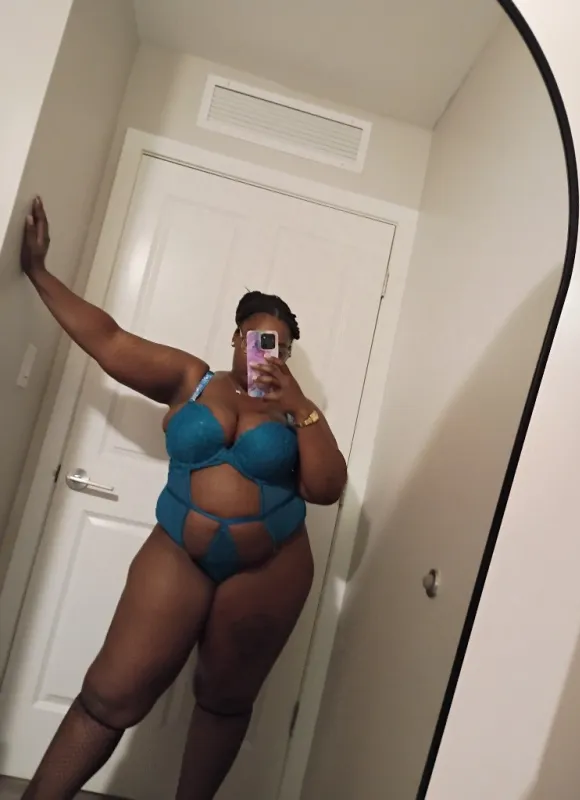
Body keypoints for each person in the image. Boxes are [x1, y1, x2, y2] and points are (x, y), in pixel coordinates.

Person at [19, 197, 347, 800]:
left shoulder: (295, 409)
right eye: (258, 339)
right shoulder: (191, 379)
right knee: (108, 695)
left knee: (224, 701)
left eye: (278, 346)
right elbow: (109, 341)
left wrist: (301, 406)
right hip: (178, 551)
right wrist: (39, 273)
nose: (266, 354)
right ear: (236, 336)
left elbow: (326, 490)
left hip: (270, 567)